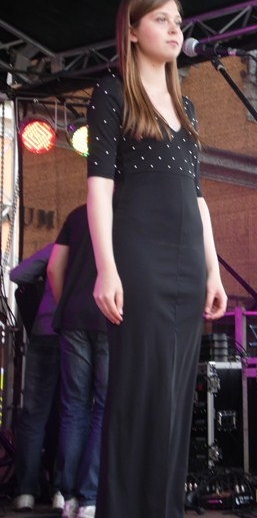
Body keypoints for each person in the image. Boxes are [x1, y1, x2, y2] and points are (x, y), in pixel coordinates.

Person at [86, 0, 228, 518]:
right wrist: (106, 268)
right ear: (132, 30)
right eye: (162, 19)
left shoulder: (186, 107)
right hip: (139, 256)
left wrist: (213, 271)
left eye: (178, 21)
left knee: (174, 399)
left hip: (188, 261)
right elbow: (99, 188)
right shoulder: (112, 93)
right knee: (137, 393)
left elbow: (199, 199)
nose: (175, 29)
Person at [47, 204, 108, 518]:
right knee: (104, 406)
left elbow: (53, 268)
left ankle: (68, 496)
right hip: (110, 317)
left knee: (73, 406)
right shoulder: (125, 210)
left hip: (73, 318)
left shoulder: (76, 215)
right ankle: (89, 497)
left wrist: (67, 305)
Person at [10, 244, 64, 513]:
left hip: (44, 331)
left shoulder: (57, 248)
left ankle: (25, 492)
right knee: (74, 414)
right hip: (77, 334)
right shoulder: (102, 251)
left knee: (33, 415)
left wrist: (45, 281)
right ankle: (62, 491)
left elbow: (17, 274)